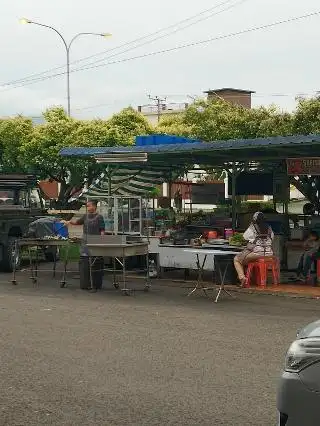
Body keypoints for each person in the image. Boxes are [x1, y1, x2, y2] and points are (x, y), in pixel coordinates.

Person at [63, 200, 105, 292]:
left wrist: (101, 240)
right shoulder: (85, 216)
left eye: (89, 206)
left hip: (95, 242)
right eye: (87, 206)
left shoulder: (99, 217)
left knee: (95, 263)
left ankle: (95, 284)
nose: (88, 208)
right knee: (85, 261)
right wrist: (68, 222)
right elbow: (77, 222)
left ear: (94, 206)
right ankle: (86, 283)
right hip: (85, 242)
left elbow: (102, 230)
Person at [234, 212, 274, 287]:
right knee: (247, 260)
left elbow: (244, 237)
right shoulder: (269, 228)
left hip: (258, 253)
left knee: (237, 259)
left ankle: (242, 277)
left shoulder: (252, 227)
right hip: (269, 253)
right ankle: (253, 278)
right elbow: (272, 238)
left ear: (254, 219)